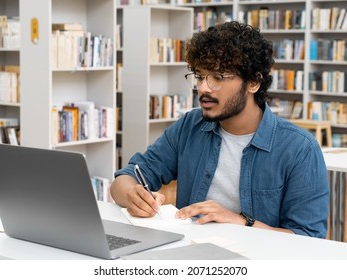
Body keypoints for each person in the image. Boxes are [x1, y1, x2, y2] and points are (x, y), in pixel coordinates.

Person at [110, 21, 329, 238]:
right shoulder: (189, 126)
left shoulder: (299, 148)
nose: (203, 88)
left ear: (253, 83)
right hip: (192, 253)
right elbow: (125, 178)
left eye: (218, 77)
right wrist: (132, 194)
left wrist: (242, 222)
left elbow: (308, 238)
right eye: (199, 76)